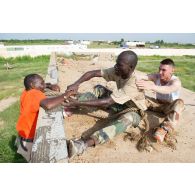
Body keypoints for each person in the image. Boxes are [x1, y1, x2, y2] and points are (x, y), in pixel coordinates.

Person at [63, 50, 147, 158]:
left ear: (130, 68)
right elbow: (93, 73)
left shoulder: (133, 84)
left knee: (127, 119)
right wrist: (76, 84)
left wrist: (78, 101)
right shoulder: (119, 71)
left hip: (133, 110)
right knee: (99, 88)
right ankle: (71, 108)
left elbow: (108, 101)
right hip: (119, 103)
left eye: (119, 64)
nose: (115, 66)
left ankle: (83, 145)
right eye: (116, 63)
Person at [15, 73, 70, 162]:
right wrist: (66, 95)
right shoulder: (34, 93)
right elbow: (48, 105)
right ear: (32, 85)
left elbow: (40, 87)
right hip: (30, 140)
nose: (44, 85)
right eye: (42, 83)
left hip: (22, 136)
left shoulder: (26, 92)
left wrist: (49, 85)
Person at [136, 58, 184, 143]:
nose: (160, 72)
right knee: (140, 96)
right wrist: (132, 75)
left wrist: (151, 86)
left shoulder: (176, 81)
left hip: (169, 108)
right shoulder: (157, 76)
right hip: (156, 104)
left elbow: (168, 89)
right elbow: (144, 76)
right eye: (159, 69)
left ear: (172, 71)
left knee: (180, 103)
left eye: (163, 70)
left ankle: (164, 129)